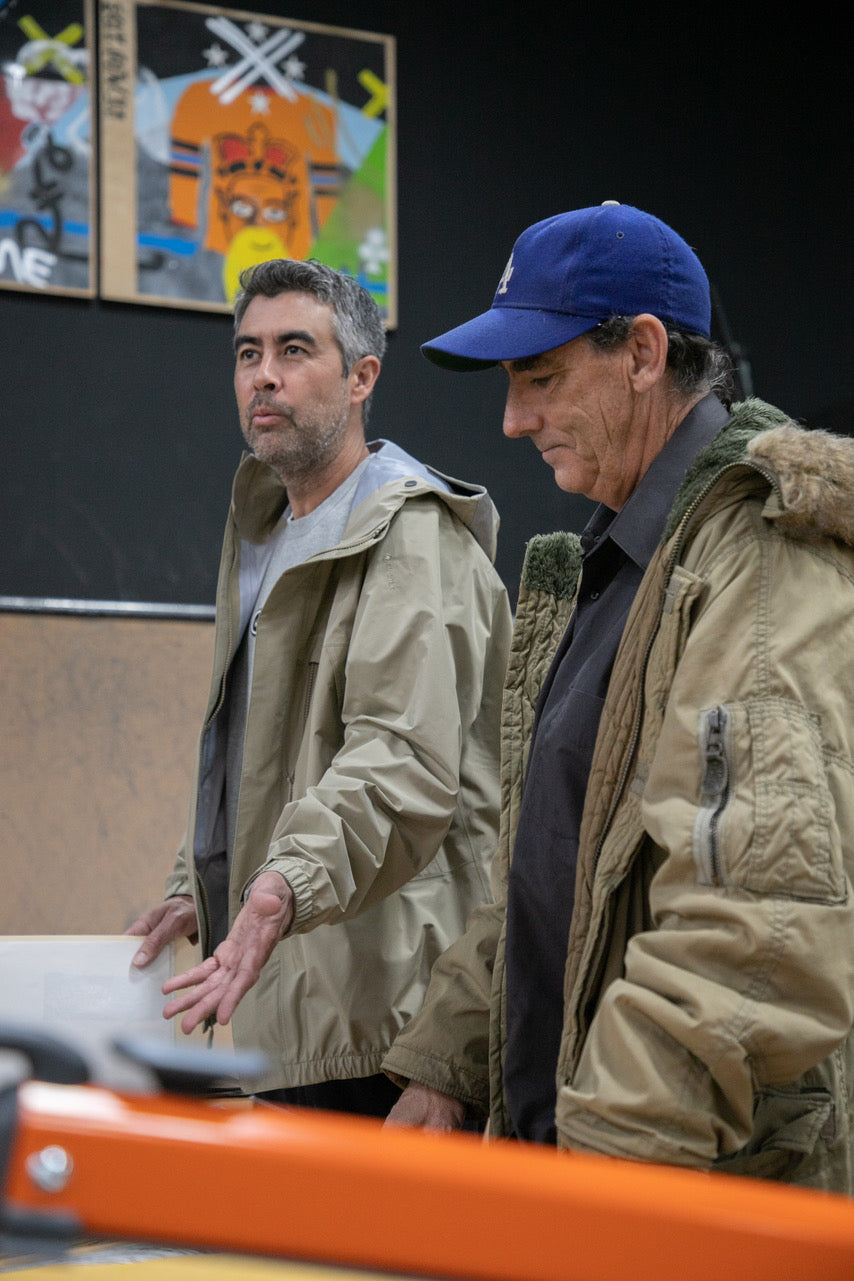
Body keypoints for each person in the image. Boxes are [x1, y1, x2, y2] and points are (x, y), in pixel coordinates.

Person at [383, 201, 854, 1190]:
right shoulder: (609, 567)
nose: (512, 419)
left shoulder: (761, 562)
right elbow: (549, 860)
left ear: (642, 353)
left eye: (540, 377)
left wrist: (607, 1171)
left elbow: (758, 931)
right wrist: (448, 1060)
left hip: (686, 1193)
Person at [127, 258, 512, 1116]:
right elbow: (261, 755)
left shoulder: (411, 536)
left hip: (395, 1023)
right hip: (294, 1002)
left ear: (362, 377)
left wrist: (278, 889)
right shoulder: (267, 534)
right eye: (248, 352)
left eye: (294, 349)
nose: (263, 375)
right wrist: (199, 879)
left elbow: (399, 763)